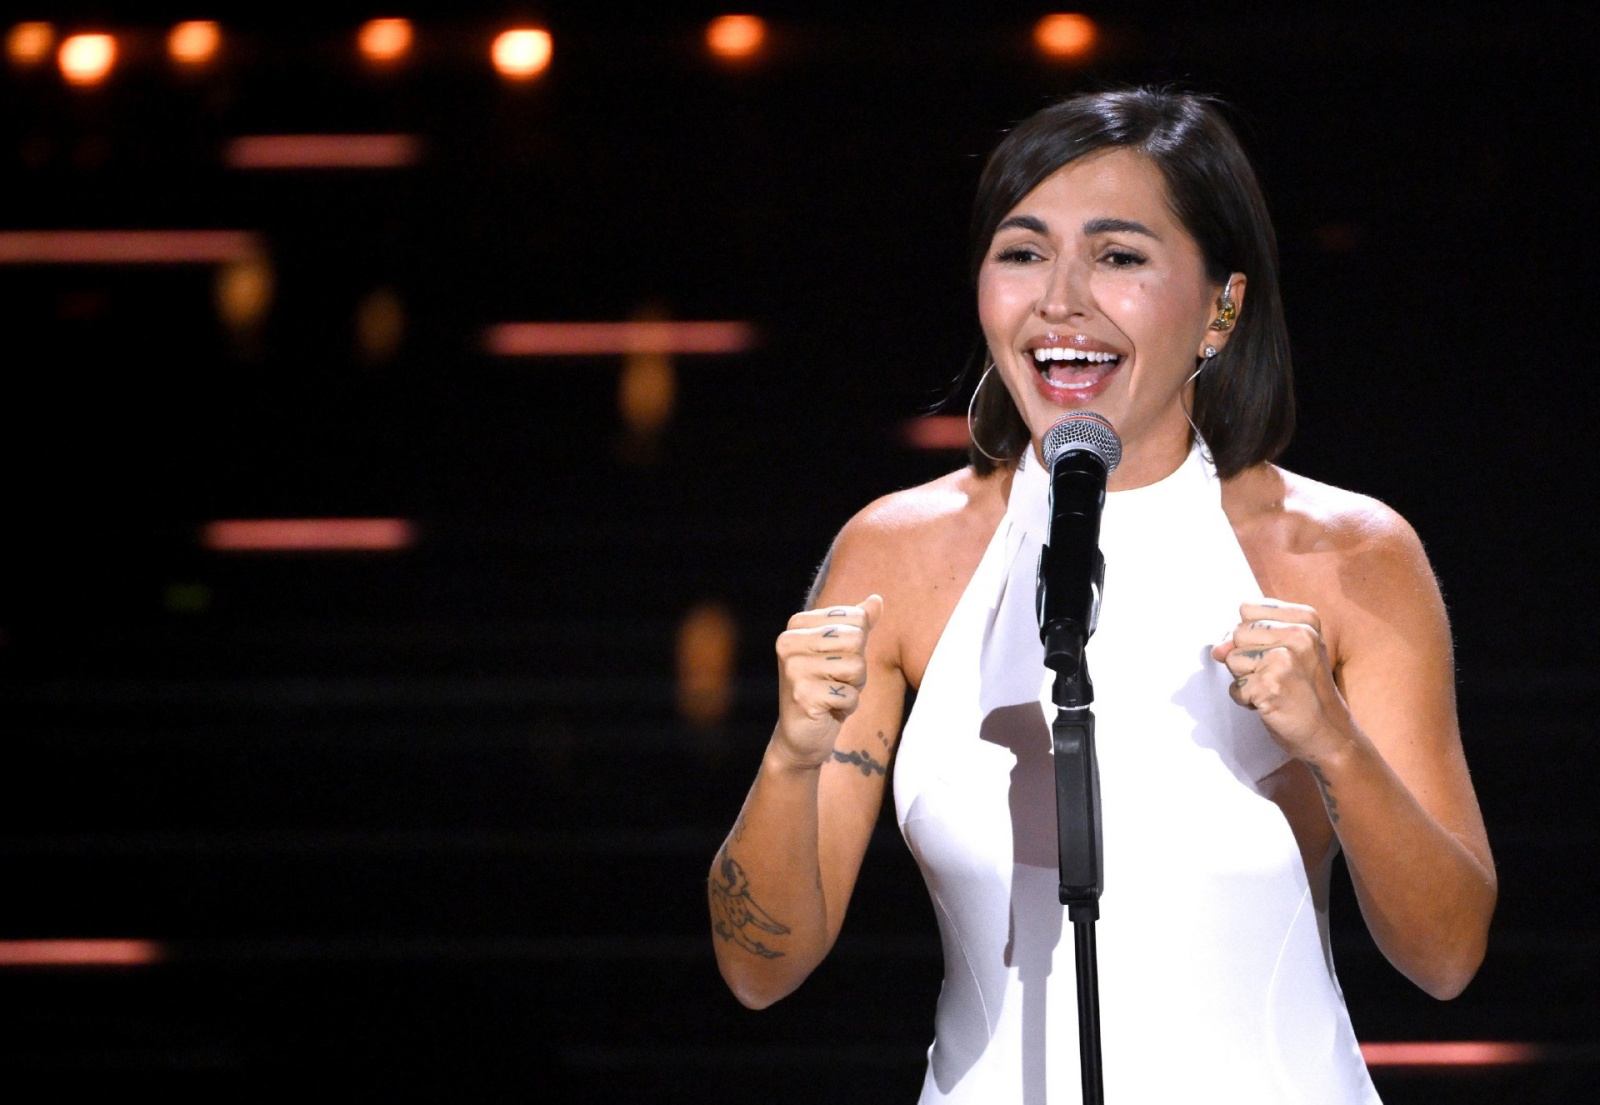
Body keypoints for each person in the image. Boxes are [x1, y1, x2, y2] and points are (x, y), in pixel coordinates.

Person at [707, 87, 1495, 1103]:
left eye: (1118, 257)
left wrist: (1332, 743)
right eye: (1023, 251)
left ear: (1222, 308)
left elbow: (1446, 956)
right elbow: (758, 970)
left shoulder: (1344, 554)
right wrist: (789, 756)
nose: (1059, 298)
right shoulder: (897, 555)